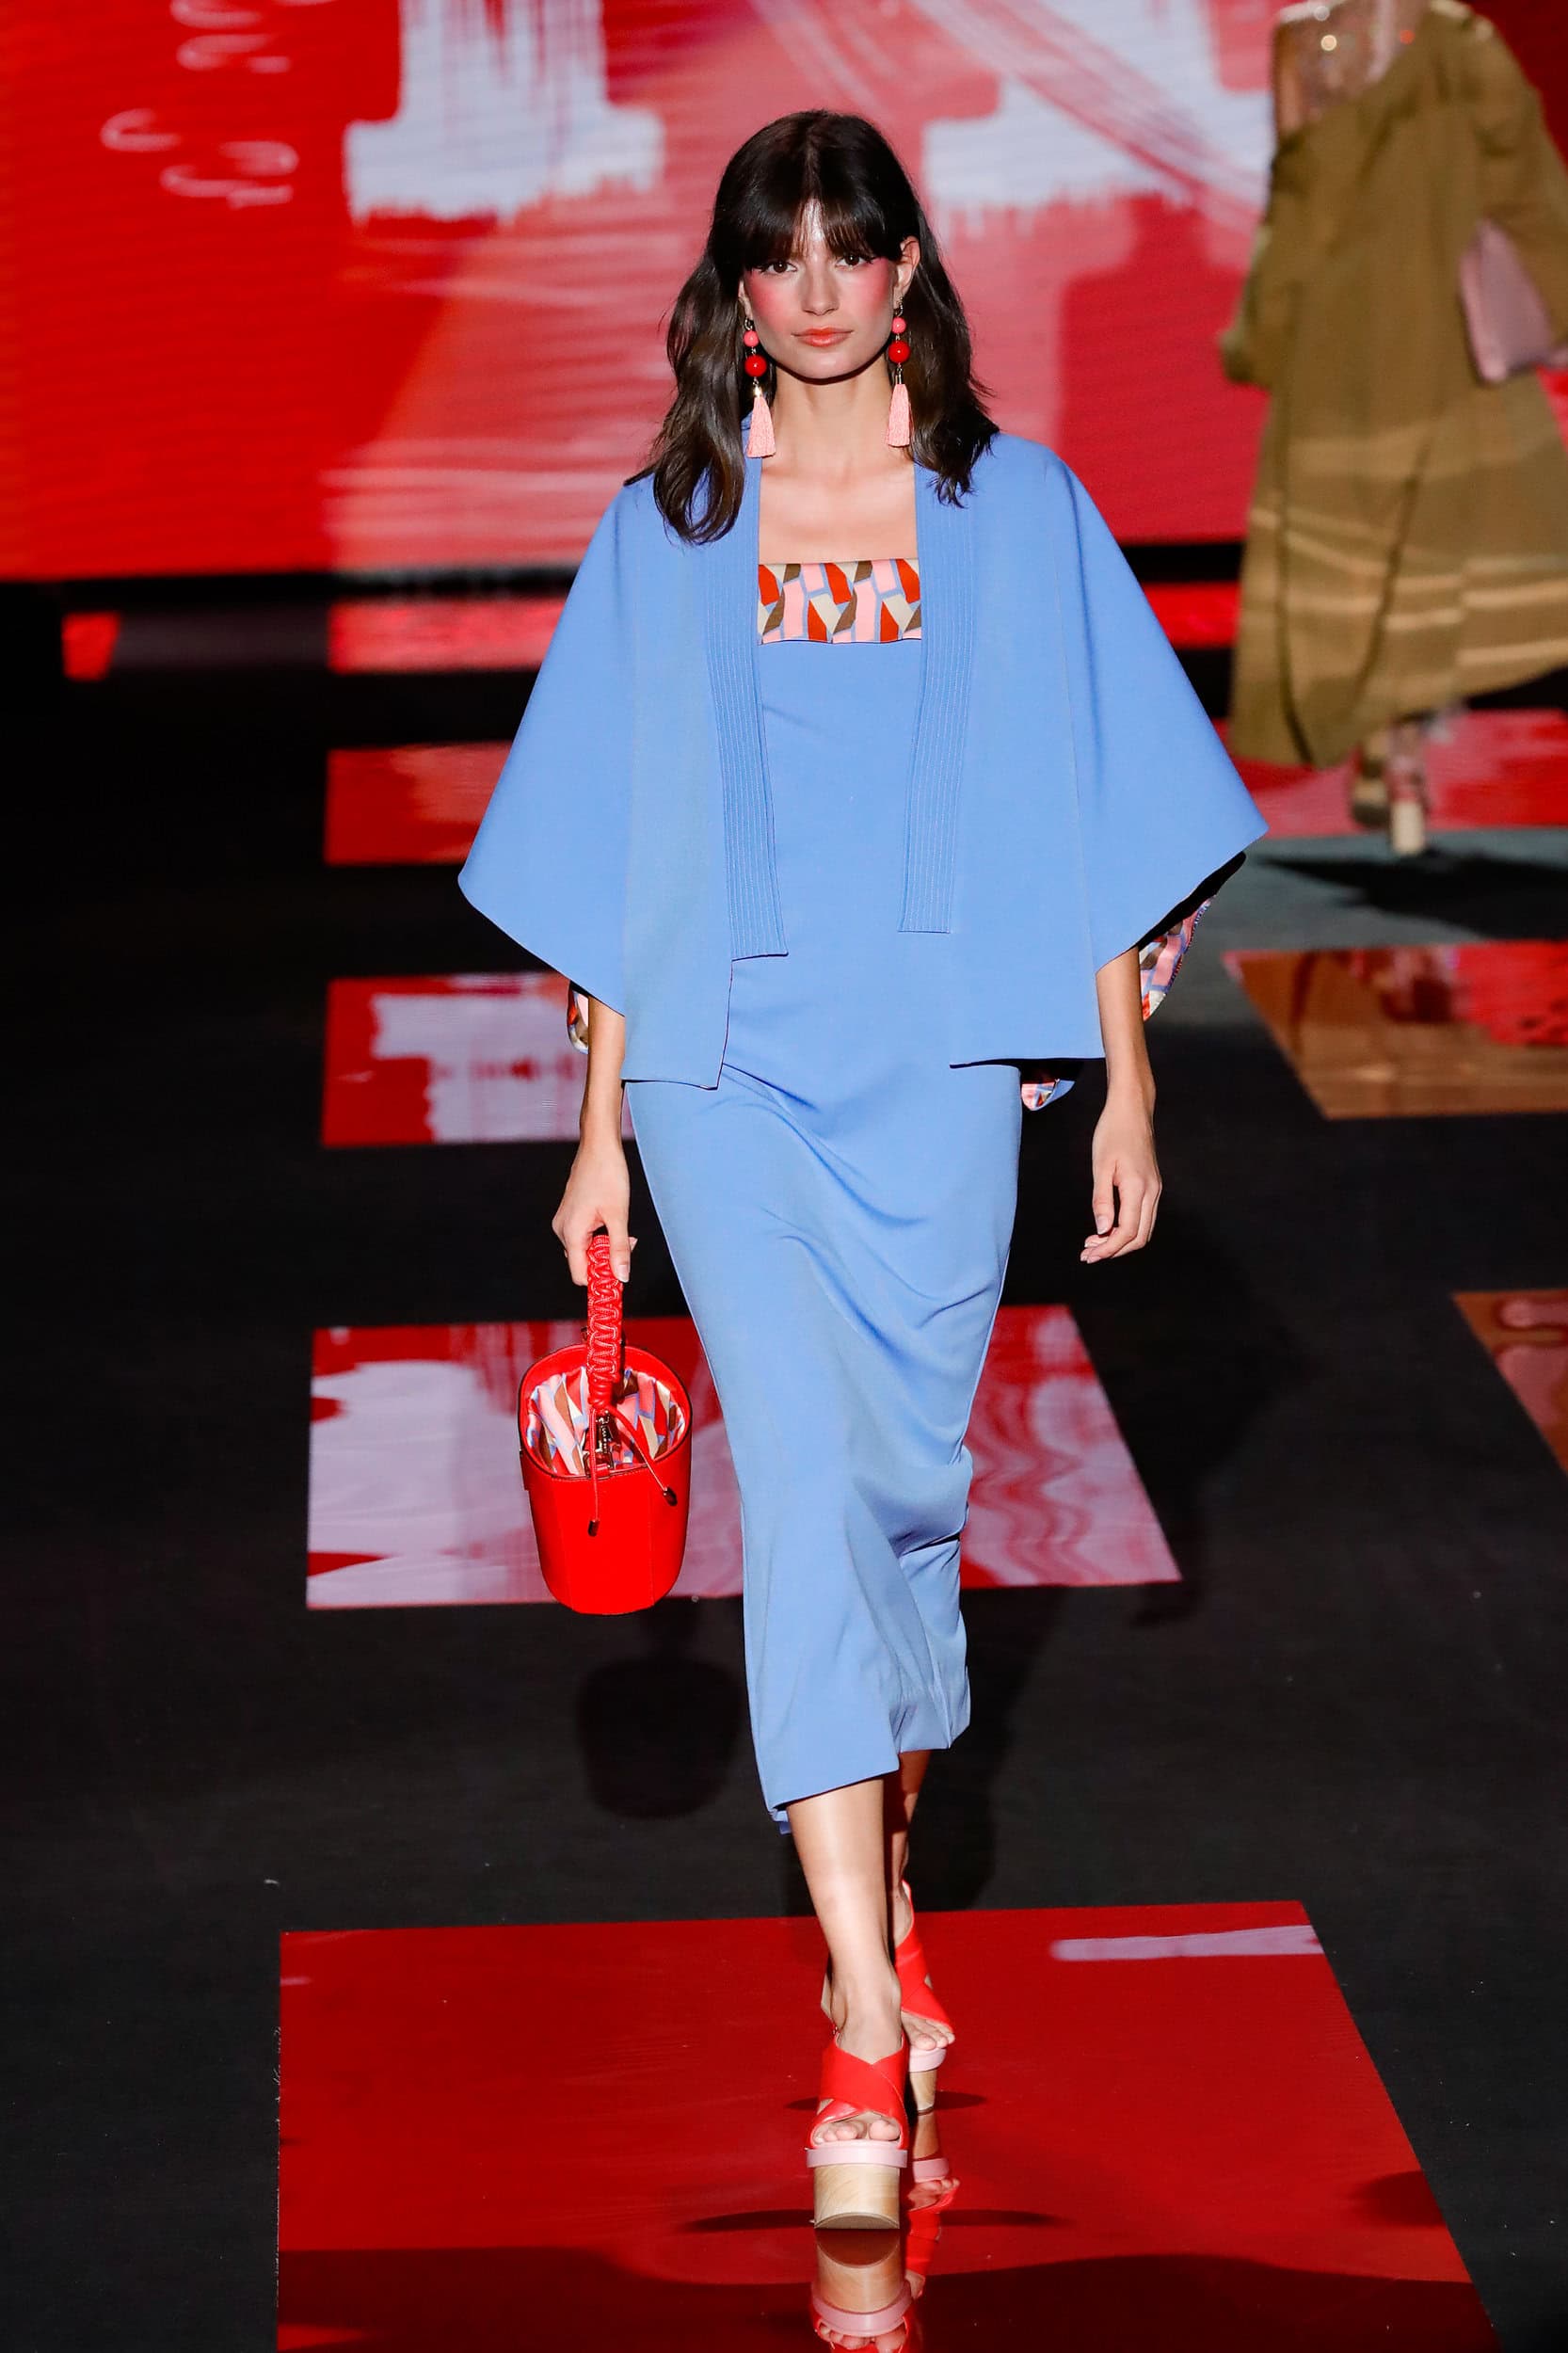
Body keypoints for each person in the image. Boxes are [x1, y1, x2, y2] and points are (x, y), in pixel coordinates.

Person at [460, 111, 1265, 2228]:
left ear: (908, 271)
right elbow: (617, 850)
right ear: (735, 290)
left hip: (941, 1063)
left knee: (905, 1504)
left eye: (850, 247)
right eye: (779, 252)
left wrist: (1125, 1083)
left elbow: (1096, 811)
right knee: (807, 1487)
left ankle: (879, 1905)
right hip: (723, 1071)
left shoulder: (1016, 510)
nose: (815, 288)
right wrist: (601, 1130)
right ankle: (853, 2034)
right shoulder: (668, 525)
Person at [1222, 0, 1568, 856]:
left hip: (1335, 338)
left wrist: (1269, 328)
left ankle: (1387, 741)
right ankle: (1402, 753)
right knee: (1424, 550)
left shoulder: (1303, 41)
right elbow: (1521, 175)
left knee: (1355, 547)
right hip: (1433, 333)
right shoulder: (1460, 39)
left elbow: (1295, 194)